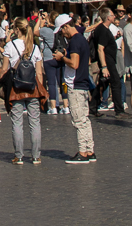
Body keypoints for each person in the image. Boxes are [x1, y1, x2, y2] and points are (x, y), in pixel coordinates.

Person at [0, 18, 41, 164]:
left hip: (16, 88)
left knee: (17, 122)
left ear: (16, 30)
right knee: (34, 122)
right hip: (32, 88)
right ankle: (36, 156)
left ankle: (19, 156)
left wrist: (1, 82)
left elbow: (4, 69)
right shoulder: (35, 47)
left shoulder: (10, 46)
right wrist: (40, 89)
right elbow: (40, 73)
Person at [56, 14, 96, 164]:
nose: (62, 35)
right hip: (82, 83)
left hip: (75, 84)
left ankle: (82, 152)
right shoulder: (82, 39)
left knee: (78, 120)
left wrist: (62, 57)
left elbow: (74, 63)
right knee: (85, 120)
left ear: (66, 26)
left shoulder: (74, 42)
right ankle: (89, 150)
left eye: (61, 31)